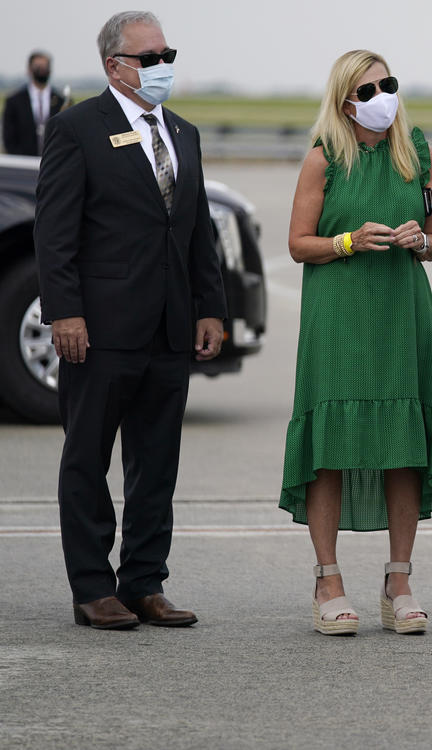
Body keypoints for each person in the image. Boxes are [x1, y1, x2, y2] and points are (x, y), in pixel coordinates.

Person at [34, 11, 226, 630]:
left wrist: (212, 308)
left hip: (170, 329)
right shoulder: (77, 130)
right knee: (87, 459)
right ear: (115, 65)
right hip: (102, 328)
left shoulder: (183, 132)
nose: (162, 65)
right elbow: (54, 235)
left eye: (168, 53)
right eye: (150, 57)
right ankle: (92, 587)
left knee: (156, 463)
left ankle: (145, 581)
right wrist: (64, 311)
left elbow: (197, 232)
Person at [280, 49, 432, 637]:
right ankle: (328, 580)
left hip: (402, 313)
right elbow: (299, 243)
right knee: (330, 444)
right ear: (345, 100)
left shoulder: (417, 150)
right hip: (339, 318)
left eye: (389, 84)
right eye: (368, 89)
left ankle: (398, 580)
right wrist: (347, 241)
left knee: (404, 444)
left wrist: (417, 241)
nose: (383, 96)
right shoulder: (323, 158)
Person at [3, 50, 66, 156]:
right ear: (29, 69)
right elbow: (9, 138)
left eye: (45, 66)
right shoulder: (14, 101)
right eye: (38, 66)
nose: (41, 70)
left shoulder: (62, 101)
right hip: (23, 162)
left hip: (54, 162)